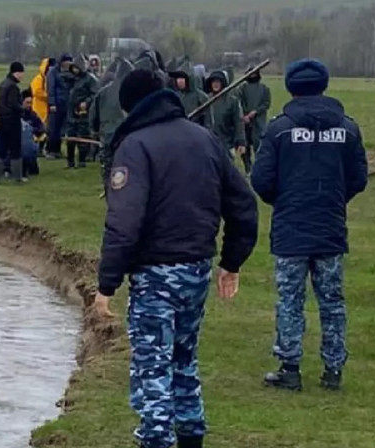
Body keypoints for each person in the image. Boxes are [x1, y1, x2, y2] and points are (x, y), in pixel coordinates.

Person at [95, 69, 258, 448]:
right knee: (184, 359)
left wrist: (106, 285)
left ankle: (155, 440)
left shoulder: (134, 146)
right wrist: (231, 262)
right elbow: (244, 205)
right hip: (197, 269)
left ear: (128, 106)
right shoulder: (204, 139)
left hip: (155, 273)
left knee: (152, 366)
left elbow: (124, 222)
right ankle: (190, 436)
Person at [252, 59, 368, 392]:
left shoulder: (279, 129)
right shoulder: (347, 128)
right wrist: (334, 199)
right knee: (332, 300)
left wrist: (285, 201)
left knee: (290, 299)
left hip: (291, 229)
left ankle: (290, 367)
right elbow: (358, 178)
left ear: (291, 88)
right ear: (324, 85)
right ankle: (333, 370)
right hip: (330, 226)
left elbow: (261, 179)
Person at [90, 57, 132, 183]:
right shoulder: (133, 91)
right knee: (127, 168)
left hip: (107, 135)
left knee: (108, 168)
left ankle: (109, 190)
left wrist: (94, 130)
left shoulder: (103, 91)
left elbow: (94, 114)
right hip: (126, 136)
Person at [237, 66, 271, 173]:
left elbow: (266, 103)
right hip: (244, 121)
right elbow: (239, 103)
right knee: (244, 144)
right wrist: (244, 115)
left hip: (258, 122)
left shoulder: (264, 89)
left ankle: (259, 167)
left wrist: (255, 112)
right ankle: (248, 167)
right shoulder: (242, 89)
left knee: (259, 144)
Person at [0, 61, 26, 183]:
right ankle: (17, 177)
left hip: (3, 121)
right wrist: (23, 108)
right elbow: (14, 104)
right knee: (15, 149)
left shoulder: (2, 84)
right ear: (17, 73)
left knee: (1, 149)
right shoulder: (13, 87)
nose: (23, 76)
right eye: (22, 73)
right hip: (13, 122)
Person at [65, 58, 98, 168]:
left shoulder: (90, 79)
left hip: (83, 112)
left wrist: (86, 102)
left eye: (76, 67)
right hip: (71, 111)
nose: (74, 70)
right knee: (70, 137)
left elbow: (95, 94)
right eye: (73, 68)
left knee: (83, 136)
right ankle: (70, 161)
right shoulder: (72, 79)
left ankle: (82, 161)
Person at [205, 70, 245, 156]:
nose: (215, 84)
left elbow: (238, 122)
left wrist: (241, 141)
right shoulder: (205, 100)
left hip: (227, 143)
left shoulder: (232, 101)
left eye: (218, 82)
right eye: (213, 82)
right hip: (209, 143)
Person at [46, 53, 74, 158]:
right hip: (56, 104)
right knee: (53, 128)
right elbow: (50, 88)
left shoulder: (70, 72)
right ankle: (50, 149)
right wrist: (52, 103)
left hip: (66, 104)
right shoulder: (53, 72)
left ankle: (57, 150)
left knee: (61, 129)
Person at [21, 89, 45, 177]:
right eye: (27, 102)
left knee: (34, 172)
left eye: (31, 103)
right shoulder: (17, 115)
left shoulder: (33, 114)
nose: (29, 105)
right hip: (20, 147)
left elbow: (41, 126)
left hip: (31, 145)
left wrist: (38, 132)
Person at [30, 57, 55, 125]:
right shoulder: (39, 78)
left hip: (47, 109)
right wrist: (49, 96)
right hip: (39, 108)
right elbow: (36, 92)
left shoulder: (50, 79)